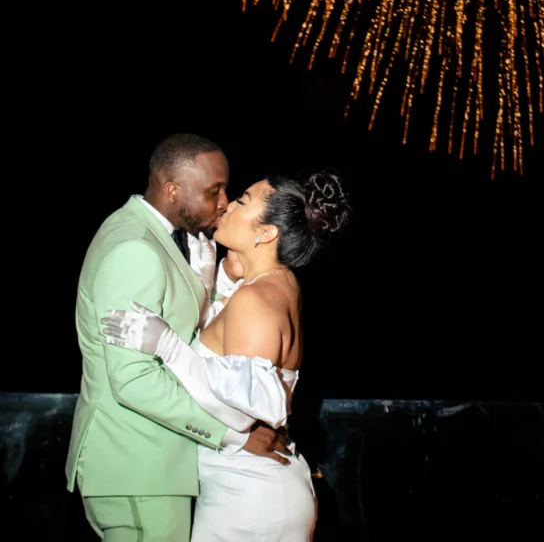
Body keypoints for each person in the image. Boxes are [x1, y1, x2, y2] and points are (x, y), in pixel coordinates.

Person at [102, 169, 351, 542]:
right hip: (250, 492)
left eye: (243, 201)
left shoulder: (257, 299)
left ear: (265, 233)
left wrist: (168, 346)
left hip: (247, 499)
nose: (229, 204)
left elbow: (237, 413)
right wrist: (210, 286)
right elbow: (229, 359)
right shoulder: (274, 285)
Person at [66, 133, 287, 542]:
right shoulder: (135, 248)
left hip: (152, 467)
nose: (223, 202)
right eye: (214, 190)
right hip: (137, 465)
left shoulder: (146, 236)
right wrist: (232, 436)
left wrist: (209, 290)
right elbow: (133, 380)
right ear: (172, 190)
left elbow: (180, 339)